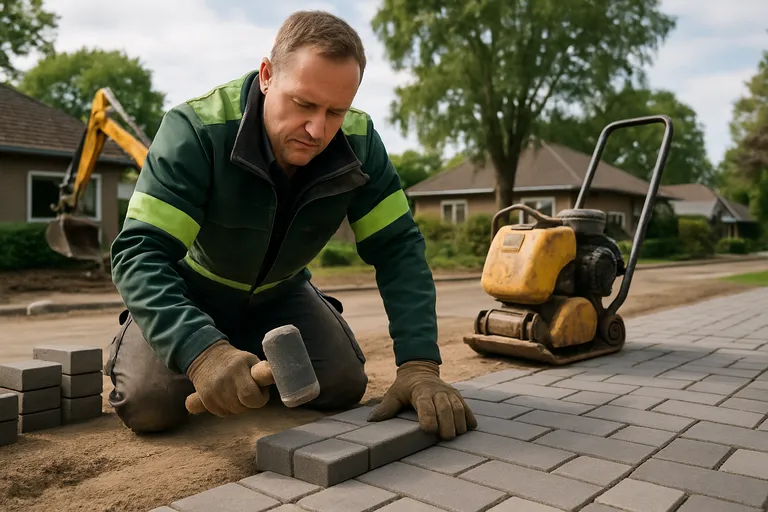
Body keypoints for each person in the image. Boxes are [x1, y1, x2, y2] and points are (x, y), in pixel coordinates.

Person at [105, 10, 476, 441]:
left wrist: (419, 366)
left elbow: (398, 249)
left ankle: (242, 351)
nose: (318, 130)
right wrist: (203, 353)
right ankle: (181, 344)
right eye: (303, 104)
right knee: (150, 405)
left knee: (341, 384)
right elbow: (139, 254)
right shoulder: (196, 132)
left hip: (281, 296)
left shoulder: (360, 143)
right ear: (266, 75)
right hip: (193, 292)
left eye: (336, 111)